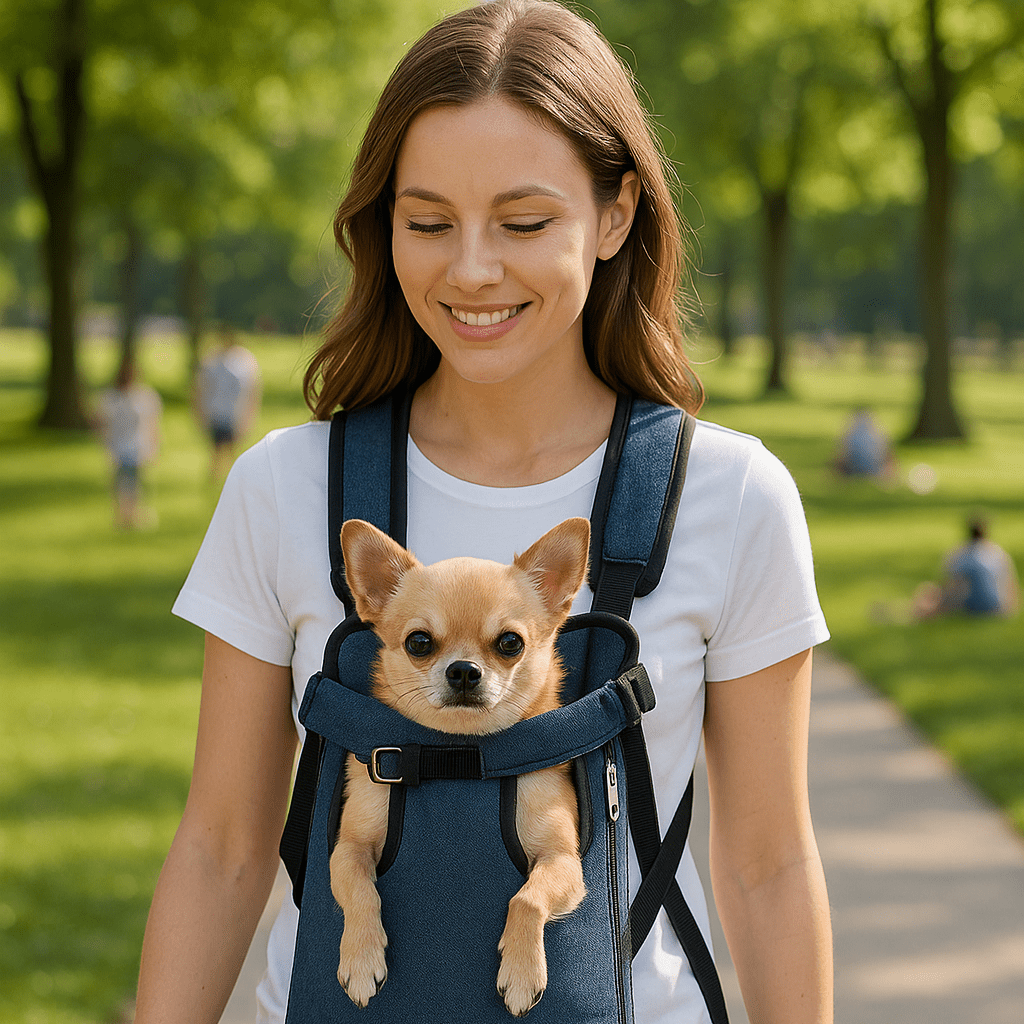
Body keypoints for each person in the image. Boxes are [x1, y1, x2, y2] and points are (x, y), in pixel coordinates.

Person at [135, 3, 833, 1022]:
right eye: (426, 222)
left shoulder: (730, 496)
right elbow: (221, 847)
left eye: (522, 222)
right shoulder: (283, 486)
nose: (468, 268)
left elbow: (769, 865)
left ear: (615, 215)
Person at [95, 361, 162, 530]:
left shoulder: (118, 398)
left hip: (130, 446)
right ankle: (127, 515)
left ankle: (128, 515)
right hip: (125, 446)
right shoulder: (120, 398)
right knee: (128, 481)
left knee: (127, 481)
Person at [914, 514, 1019, 618]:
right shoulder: (998, 553)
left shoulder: (961, 553)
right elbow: (1011, 584)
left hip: (972, 607)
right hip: (998, 607)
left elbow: (949, 585)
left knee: (928, 590)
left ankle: (918, 614)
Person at [193, 324, 262, 479]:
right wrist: (200, 411)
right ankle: (217, 479)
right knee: (216, 450)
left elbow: (252, 391)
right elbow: (201, 388)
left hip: (235, 413)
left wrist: (249, 415)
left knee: (233, 450)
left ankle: (232, 478)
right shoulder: (211, 360)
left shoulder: (245, 361)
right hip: (216, 411)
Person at [832, 407, 896, 481]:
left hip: (853, 470)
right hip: (874, 470)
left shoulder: (850, 432)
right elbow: (888, 455)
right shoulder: (877, 432)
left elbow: (842, 456)